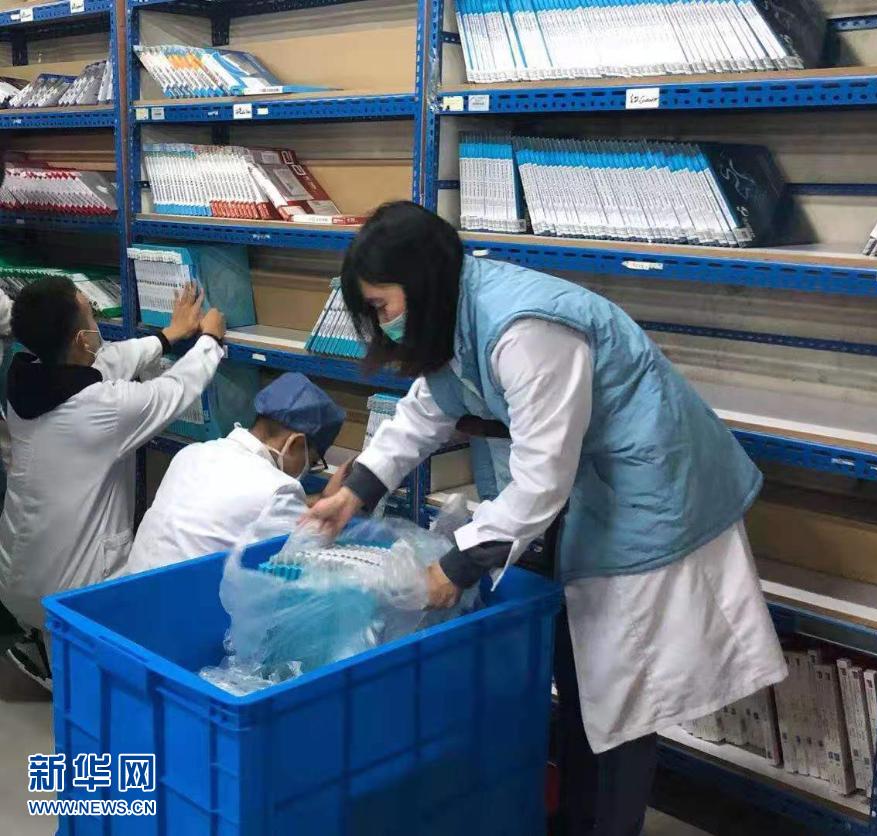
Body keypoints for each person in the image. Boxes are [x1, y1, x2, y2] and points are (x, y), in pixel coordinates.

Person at [307, 201, 787, 836]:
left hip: (648, 490)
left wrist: (453, 569)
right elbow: (426, 409)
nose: (381, 323)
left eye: (382, 306)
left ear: (420, 284)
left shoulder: (524, 331)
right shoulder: (453, 311)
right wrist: (355, 491)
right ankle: (578, 817)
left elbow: (541, 478)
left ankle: (606, 824)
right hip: (592, 489)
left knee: (618, 692)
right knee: (581, 676)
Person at [0, 277, 225, 688]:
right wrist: (210, 341)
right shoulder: (104, 408)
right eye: (91, 313)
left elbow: (107, 361)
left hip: (15, 577)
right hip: (71, 590)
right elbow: (175, 389)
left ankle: (50, 652)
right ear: (82, 339)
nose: (97, 322)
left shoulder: (24, 378)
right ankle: (74, 673)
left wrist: (168, 336)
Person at [124, 372, 349, 575]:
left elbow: (237, 506)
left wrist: (321, 500)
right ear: (295, 443)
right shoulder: (279, 489)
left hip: (129, 591)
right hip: (186, 604)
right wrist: (340, 501)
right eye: (312, 461)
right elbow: (310, 558)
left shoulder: (191, 453)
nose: (307, 469)